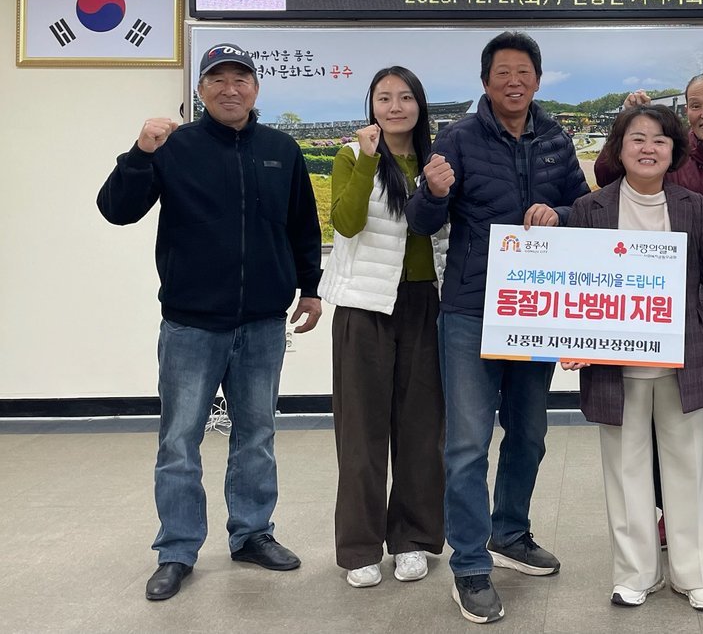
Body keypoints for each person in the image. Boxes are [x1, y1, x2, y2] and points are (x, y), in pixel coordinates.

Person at [97, 43, 323, 602]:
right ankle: (176, 549)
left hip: (263, 322)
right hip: (191, 324)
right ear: (200, 91)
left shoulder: (281, 149)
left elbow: (302, 224)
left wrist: (312, 288)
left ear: (256, 87)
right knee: (180, 439)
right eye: (217, 79)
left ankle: (252, 534)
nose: (230, 88)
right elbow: (117, 209)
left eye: (240, 78)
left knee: (257, 435)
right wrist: (139, 153)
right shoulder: (173, 147)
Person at [405, 31, 589, 624]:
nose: (514, 81)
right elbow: (421, 221)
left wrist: (559, 214)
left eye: (524, 72)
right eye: (503, 72)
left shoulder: (556, 138)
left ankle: (509, 533)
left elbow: (585, 209)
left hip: (534, 310)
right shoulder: (458, 138)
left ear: (537, 79)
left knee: (529, 434)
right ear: (485, 81)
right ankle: (469, 564)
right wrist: (433, 192)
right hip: (470, 310)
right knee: (466, 443)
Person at [562, 104, 703, 611]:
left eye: (660, 140)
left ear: (674, 151)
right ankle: (635, 573)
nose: (648, 148)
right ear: (619, 148)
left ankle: (696, 574)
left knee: (690, 467)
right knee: (625, 469)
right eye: (637, 138)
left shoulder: (694, 205)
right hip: (614, 365)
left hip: (681, 359)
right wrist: (571, 341)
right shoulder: (589, 208)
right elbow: (576, 285)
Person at [595, 73, 703, 568]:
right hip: (658, 331)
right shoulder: (672, 166)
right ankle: (659, 532)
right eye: (695, 105)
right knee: (646, 442)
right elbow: (608, 176)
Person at [318, 66, 446, 589]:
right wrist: (370, 159)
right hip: (364, 306)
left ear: (420, 105)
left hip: (426, 304)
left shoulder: (438, 159)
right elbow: (346, 223)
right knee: (360, 433)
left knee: (421, 432)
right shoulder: (352, 155)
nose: (395, 107)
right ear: (371, 105)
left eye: (405, 97)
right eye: (384, 98)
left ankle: (413, 540)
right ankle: (359, 548)